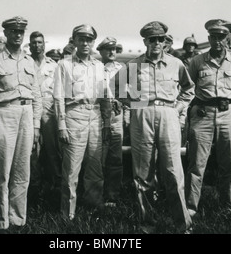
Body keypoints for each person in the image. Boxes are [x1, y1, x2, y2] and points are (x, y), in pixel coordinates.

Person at [120, 21, 194, 233]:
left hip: (168, 114)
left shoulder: (175, 64)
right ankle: (147, 224)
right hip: (142, 114)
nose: (157, 43)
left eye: (161, 39)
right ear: (145, 41)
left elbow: (189, 89)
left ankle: (183, 225)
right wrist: (134, 104)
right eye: (152, 39)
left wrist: (178, 108)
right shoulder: (134, 65)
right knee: (143, 173)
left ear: (165, 42)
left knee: (173, 171)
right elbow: (115, 87)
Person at [0, 16, 42, 233]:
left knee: (22, 171)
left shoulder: (29, 61)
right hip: (3, 113)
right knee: (2, 170)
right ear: (5, 33)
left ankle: (18, 219)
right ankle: (1, 220)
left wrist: (36, 126)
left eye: (21, 32)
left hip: (26, 113)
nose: (17, 35)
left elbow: (37, 95)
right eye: (13, 31)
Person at [185, 19, 231, 219]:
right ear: (209, 38)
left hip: (227, 112)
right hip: (203, 114)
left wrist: (228, 105)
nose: (218, 41)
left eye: (222, 37)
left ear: (228, 39)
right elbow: (187, 87)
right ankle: (191, 206)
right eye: (214, 37)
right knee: (197, 162)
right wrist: (196, 106)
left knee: (227, 161)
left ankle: (227, 203)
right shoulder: (197, 61)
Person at [53, 24, 111, 221]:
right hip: (74, 116)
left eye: (89, 39)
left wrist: (107, 124)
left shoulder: (99, 66)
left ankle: (93, 207)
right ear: (74, 41)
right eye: (81, 39)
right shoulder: (65, 64)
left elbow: (105, 97)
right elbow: (58, 97)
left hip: (95, 117)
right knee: (71, 170)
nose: (85, 43)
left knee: (95, 167)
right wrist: (61, 124)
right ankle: (67, 215)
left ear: (93, 42)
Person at [28, 31, 61, 204]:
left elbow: (58, 91)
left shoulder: (53, 65)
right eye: (33, 42)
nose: (37, 45)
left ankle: (55, 187)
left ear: (44, 45)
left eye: (40, 42)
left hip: (49, 112)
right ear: (29, 45)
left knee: (52, 150)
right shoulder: (25, 63)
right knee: (32, 151)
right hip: (31, 111)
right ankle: (35, 189)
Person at [96, 37, 124, 208]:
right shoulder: (95, 68)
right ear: (100, 51)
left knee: (115, 157)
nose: (111, 52)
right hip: (97, 115)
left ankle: (112, 196)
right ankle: (95, 193)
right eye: (107, 49)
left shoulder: (123, 69)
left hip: (116, 115)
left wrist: (127, 116)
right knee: (96, 156)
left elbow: (132, 95)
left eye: (114, 49)